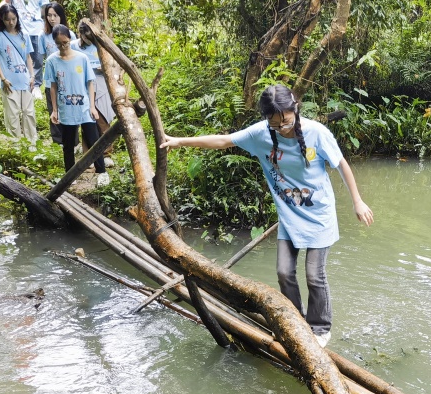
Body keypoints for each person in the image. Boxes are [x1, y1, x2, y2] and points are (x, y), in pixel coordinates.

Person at [160, 84, 374, 347]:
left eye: (286, 121)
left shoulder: (317, 133)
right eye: (275, 124)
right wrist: (180, 141)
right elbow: (224, 141)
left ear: (295, 108)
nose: (282, 128)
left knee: (314, 274)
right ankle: (296, 321)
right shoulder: (260, 134)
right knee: (284, 272)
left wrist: (357, 201)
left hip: (320, 214)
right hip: (290, 215)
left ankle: (320, 328)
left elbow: (341, 163)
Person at [43, 24, 110, 186]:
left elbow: (90, 82)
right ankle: (70, 175)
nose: (63, 47)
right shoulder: (52, 61)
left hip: (84, 107)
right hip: (66, 108)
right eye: (59, 44)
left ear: (70, 39)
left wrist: (92, 107)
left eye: (65, 43)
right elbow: (53, 86)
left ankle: (102, 172)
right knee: (68, 144)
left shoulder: (82, 58)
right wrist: (54, 110)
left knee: (94, 141)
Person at [0, 4, 37, 144]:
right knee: (12, 115)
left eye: (13, 19)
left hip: (25, 80)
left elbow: (28, 57)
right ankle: (15, 145)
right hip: (9, 82)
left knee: (29, 113)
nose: (11, 22)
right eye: (7, 19)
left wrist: (32, 76)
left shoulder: (24, 35)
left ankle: (32, 144)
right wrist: (3, 79)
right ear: (2, 20)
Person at [1, 0, 49, 88]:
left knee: (37, 58)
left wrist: (45, 25)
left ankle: (36, 86)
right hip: (17, 26)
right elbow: (7, 1)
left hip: (36, 27)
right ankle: (23, 83)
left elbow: (44, 7)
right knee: (20, 56)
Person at [75, 19, 117, 166]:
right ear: (80, 34)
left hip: (101, 84)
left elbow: (113, 64)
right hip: (83, 85)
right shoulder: (74, 46)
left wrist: (104, 68)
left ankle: (106, 154)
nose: (88, 40)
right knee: (87, 121)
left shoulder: (101, 45)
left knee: (103, 120)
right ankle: (88, 156)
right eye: (86, 37)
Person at [40, 2, 73, 145]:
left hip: (68, 79)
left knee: (69, 108)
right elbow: (41, 58)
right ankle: (58, 141)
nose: (52, 18)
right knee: (53, 110)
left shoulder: (70, 35)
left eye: (55, 15)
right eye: (49, 15)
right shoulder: (43, 36)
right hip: (51, 79)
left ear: (61, 16)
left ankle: (72, 141)